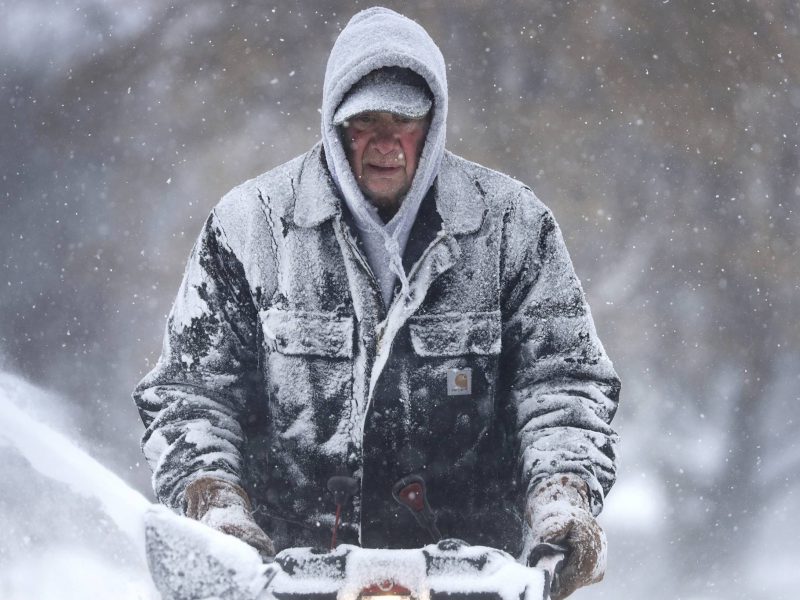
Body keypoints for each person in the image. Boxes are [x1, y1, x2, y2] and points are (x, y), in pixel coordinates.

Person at [134, 7, 620, 599]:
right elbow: (192, 393)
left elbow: (563, 384)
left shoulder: (513, 227)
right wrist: (214, 503)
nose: (387, 142)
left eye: (406, 119)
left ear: (434, 121)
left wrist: (561, 496)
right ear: (335, 123)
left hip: (472, 578)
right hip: (286, 578)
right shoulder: (250, 228)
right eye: (367, 120)